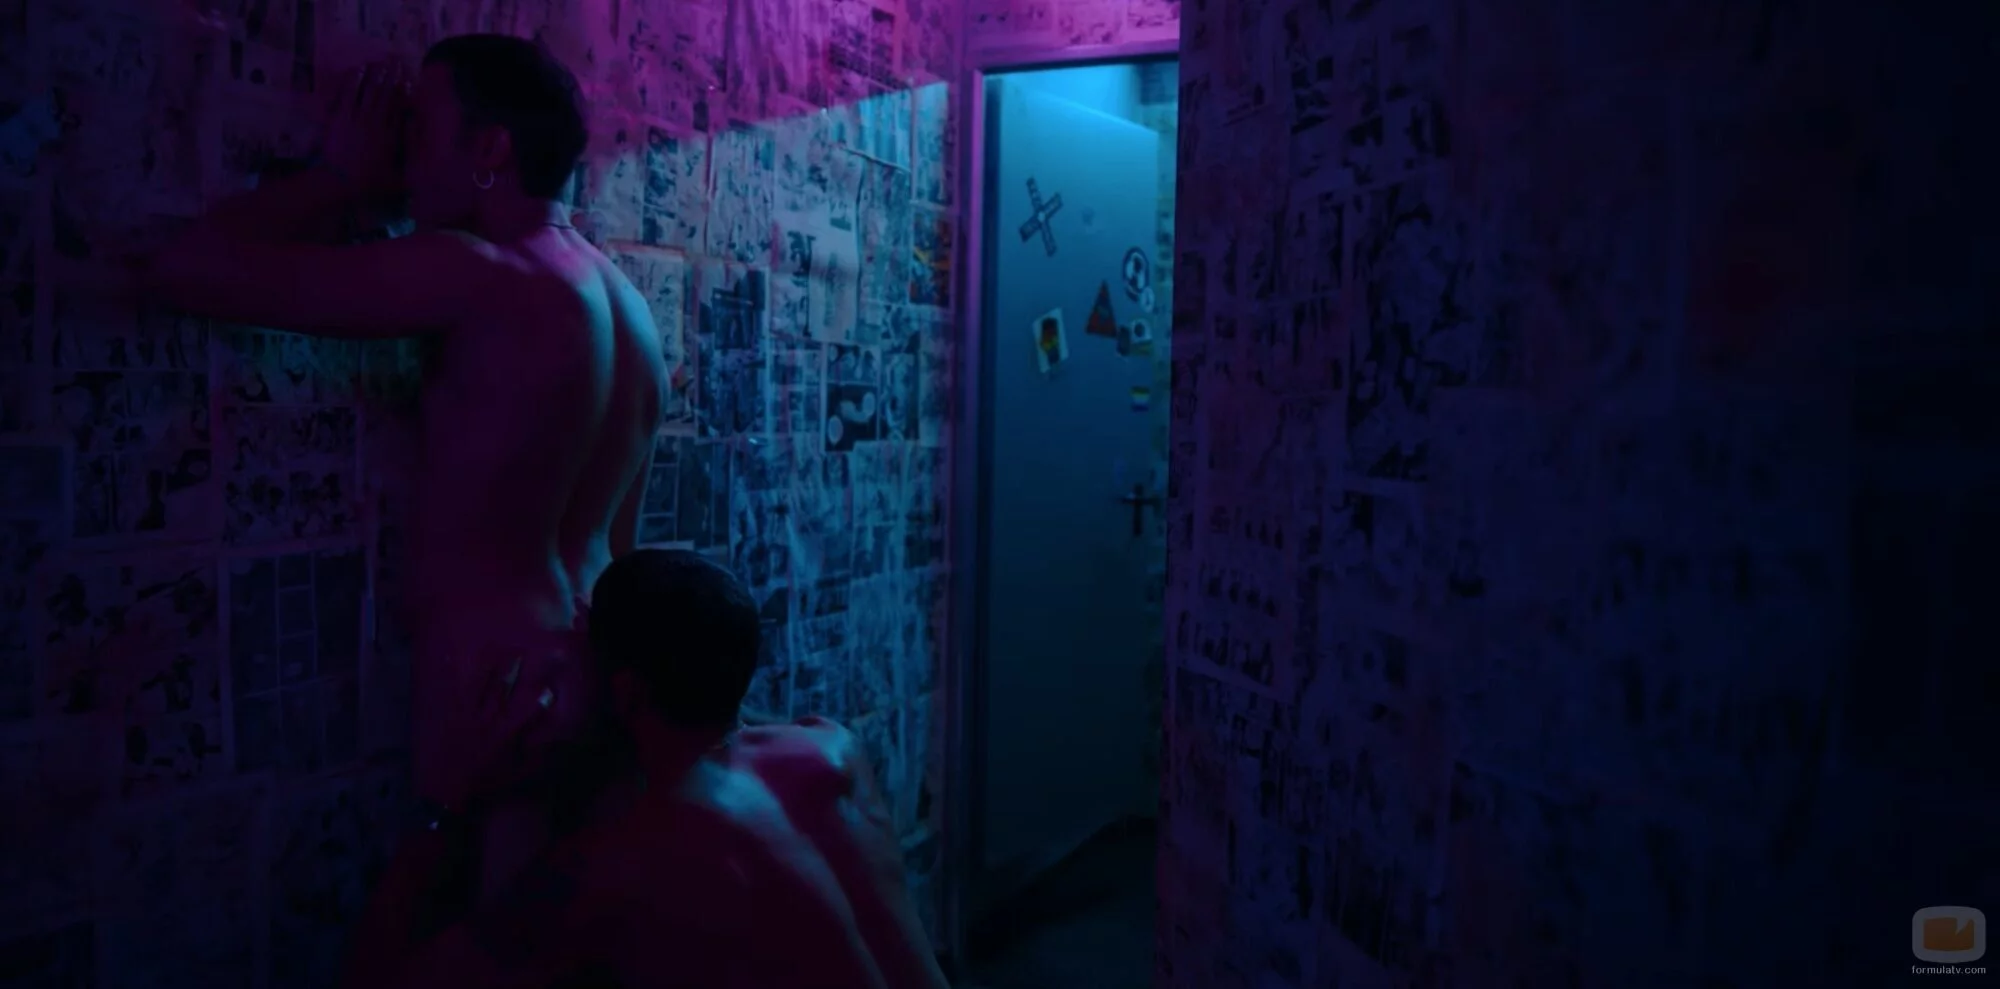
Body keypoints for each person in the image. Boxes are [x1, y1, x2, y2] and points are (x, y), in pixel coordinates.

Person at [133, 35, 668, 897]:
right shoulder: (630, 308)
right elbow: (624, 542)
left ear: (490, 149)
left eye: (418, 129)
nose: (400, 155)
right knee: (568, 936)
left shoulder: (480, 270)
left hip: (494, 677)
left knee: (479, 941)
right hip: (602, 662)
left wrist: (336, 180)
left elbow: (184, 266)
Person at [343, 549, 951, 989]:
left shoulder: (626, 857)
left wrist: (452, 800)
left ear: (628, 692)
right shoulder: (833, 749)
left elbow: (384, 980)